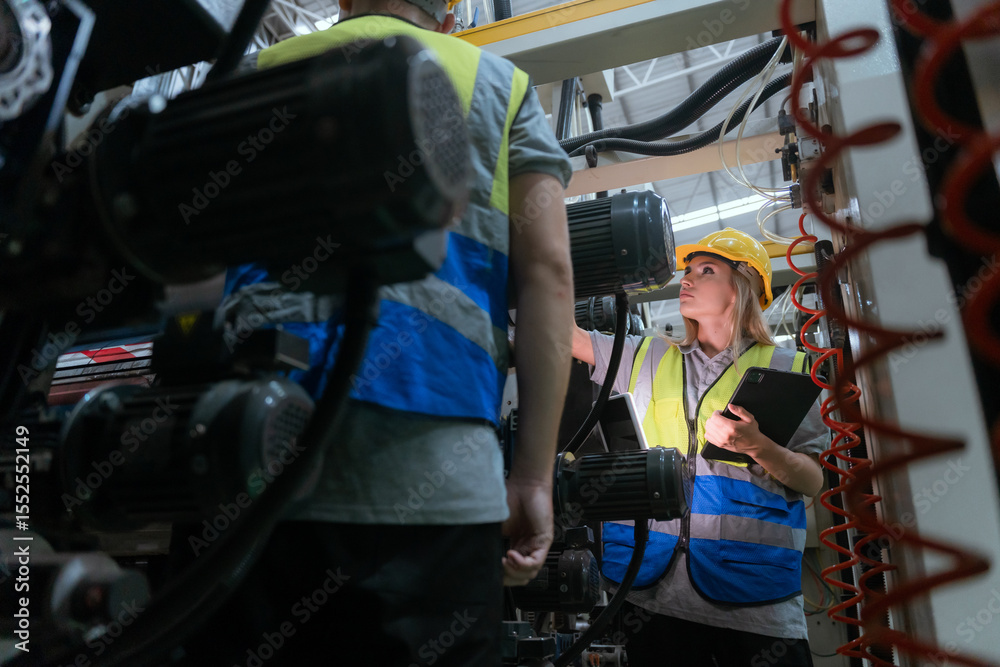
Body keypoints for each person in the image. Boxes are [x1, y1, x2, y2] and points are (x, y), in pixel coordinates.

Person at [179, 1, 574, 664]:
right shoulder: (500, 87)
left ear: (342, 2)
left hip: (250, 457)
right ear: (449, 14)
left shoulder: (251, 71)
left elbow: (186, 271)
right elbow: (550, 275)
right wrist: (534, 475)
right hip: (438, 483)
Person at [571, 228, 828, 667]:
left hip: (754, 599)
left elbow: (813, 479)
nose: (686, 279)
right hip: (653, 594)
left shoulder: (786, 367)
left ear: (742, 286)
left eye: (706, 270)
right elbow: (562, 335)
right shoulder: (646, 356)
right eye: (687, 271)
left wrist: (758, 446)